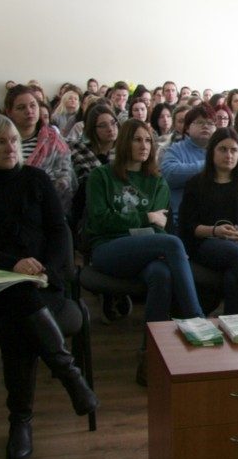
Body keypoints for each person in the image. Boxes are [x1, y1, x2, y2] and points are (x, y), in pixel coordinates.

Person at [0, 114, 98, 459]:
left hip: (41, 279)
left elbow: (59, 230)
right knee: (19, 299)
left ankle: (21, 421)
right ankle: (68, 374)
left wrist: (46, 266)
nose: (10, 147)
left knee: (22, 311)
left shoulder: (36, 179)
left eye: (13, 140)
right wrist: (12, 265)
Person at [86, 119, 204, 382]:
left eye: (148, 140)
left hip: (148, 248)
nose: (143, 145)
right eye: (137, 139)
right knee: (173, 244)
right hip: (107, 249)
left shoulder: (157, 182)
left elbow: (159, 225)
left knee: (161, 274)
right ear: (124, 141)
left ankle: (150, 358)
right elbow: (100, 220)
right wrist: (145, 218)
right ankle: (197, 320)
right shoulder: (101, 176)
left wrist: (145, 222)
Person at [180, 128, 238, 315]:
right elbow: (187, 226)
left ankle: (235, 325)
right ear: (212, 151)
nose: (229, 155)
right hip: (207, 244)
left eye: (234, 150)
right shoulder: (196, 184)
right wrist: (215, 231)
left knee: (233, 275)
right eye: (222, 149)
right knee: (234, 253)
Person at [3, 85, 77, 215]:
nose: (29, 111)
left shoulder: (53, 140)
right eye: (21, 108)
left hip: (49, 209)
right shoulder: (1, 141)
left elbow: (64, 177)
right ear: (9, 112)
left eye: (33, 106)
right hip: (8, 209)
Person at [161, 103, 216, 229]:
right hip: (182, 219)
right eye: (200, 122)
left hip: (215, 218)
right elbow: (169, 174)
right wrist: (209, 166)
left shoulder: (221, 150)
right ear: (187, 128)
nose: (205, 126)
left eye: (210, 123)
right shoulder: (176, 149)